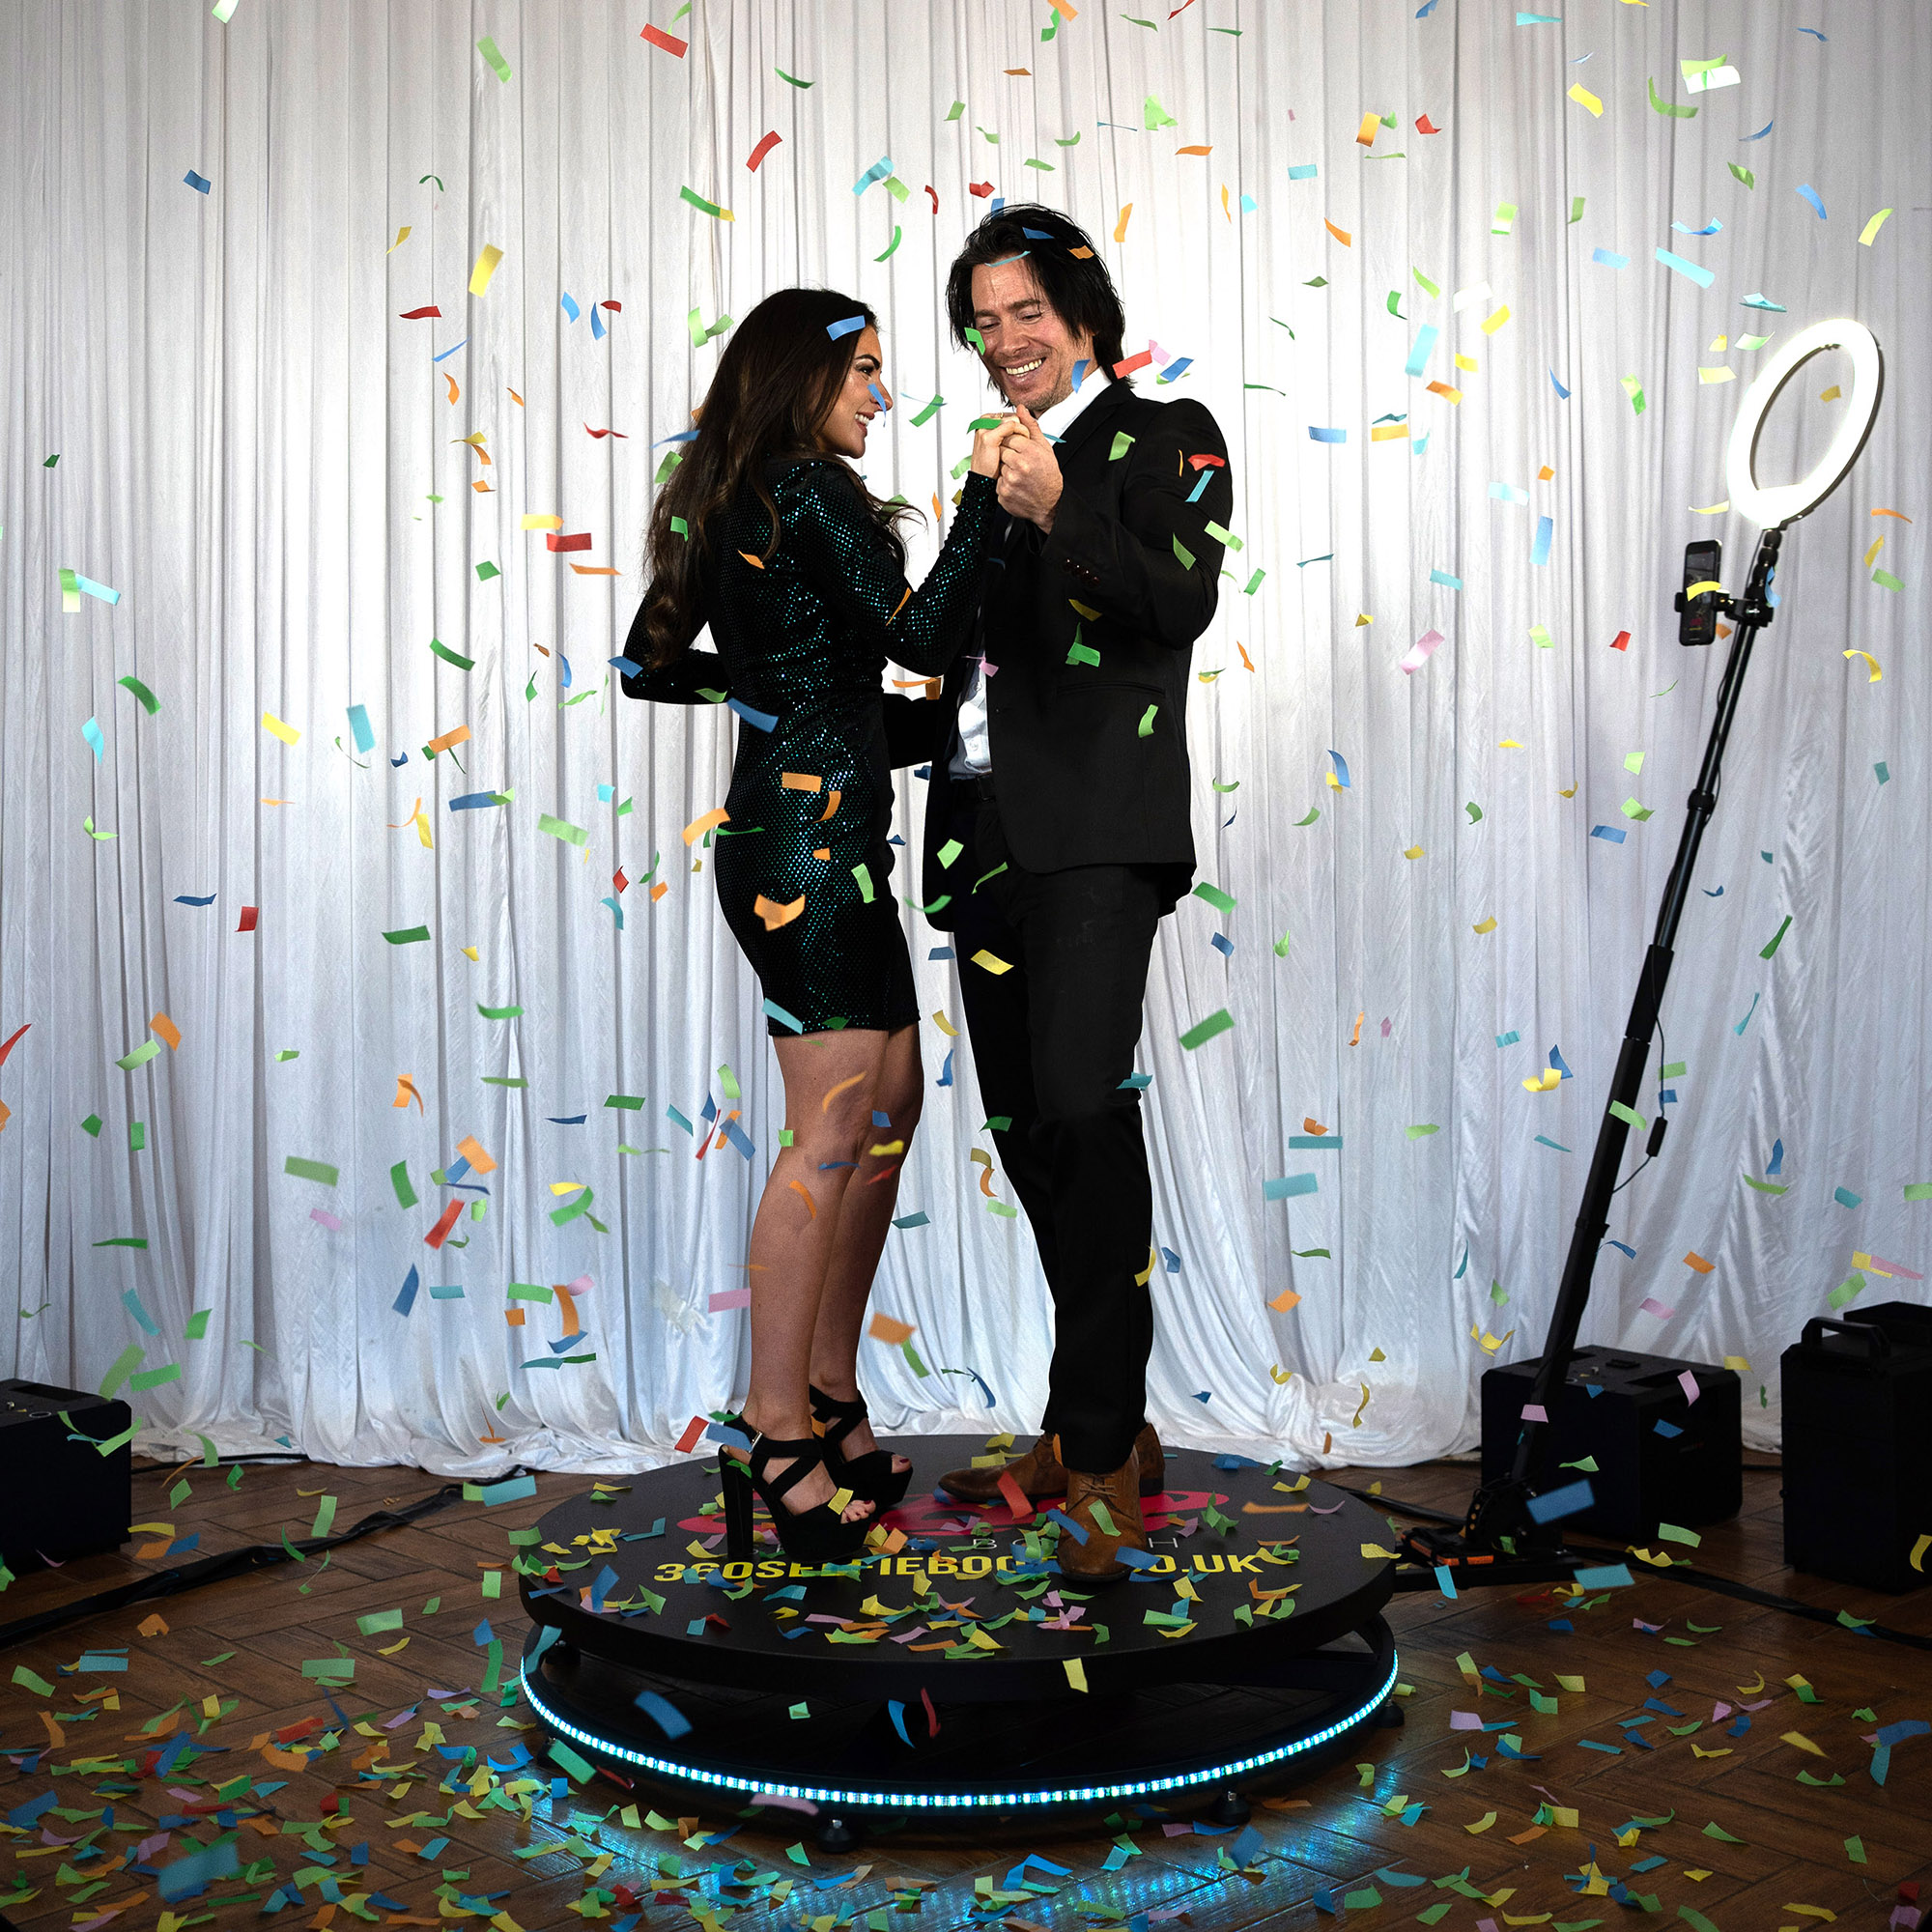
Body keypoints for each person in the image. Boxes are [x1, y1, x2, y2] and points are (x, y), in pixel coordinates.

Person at [620, 288, 1017, 1564]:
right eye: (866, 374)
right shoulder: (812, 487)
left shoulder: (734, 490)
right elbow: (917, 635)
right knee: (835, 1130)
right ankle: (774, 1428)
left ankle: (831, 1392)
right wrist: (979, 501)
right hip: (805, 850)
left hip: (826, 839)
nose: (881, 396)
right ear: (807, 374)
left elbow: (647, 664)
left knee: (887, 1108)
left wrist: (784, 688)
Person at [920, 205, 1235, 1583]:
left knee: (1081, 1112)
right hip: (978, 834)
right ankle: (1088, 1418)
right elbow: (955, 660)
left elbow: (1181, 601)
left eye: (1026, 314)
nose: (1005, 342)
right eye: (984, 322)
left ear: (1084, 316)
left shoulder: (1169, 435)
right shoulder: (991, 460)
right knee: (1028, 1132)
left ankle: (1101, 1448)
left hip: (1100, 834)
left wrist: (1055, 511)